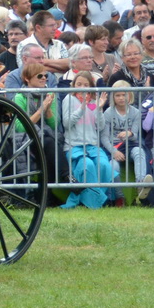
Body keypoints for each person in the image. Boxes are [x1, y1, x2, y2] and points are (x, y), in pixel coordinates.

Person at [59, 73, 116, 208]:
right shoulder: (69, 99)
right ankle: (97, 202)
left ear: (91, 86)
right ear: (73, 85)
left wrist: (100, 108)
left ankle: (93, 200)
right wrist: (81, 107)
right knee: (87, 165)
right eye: (79, 84)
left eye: (86, 85)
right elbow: (67, 123)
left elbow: (100, 126)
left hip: (92, 144)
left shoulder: (93, 101)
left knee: (104, 165)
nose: (82, 88)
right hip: (74, 145)